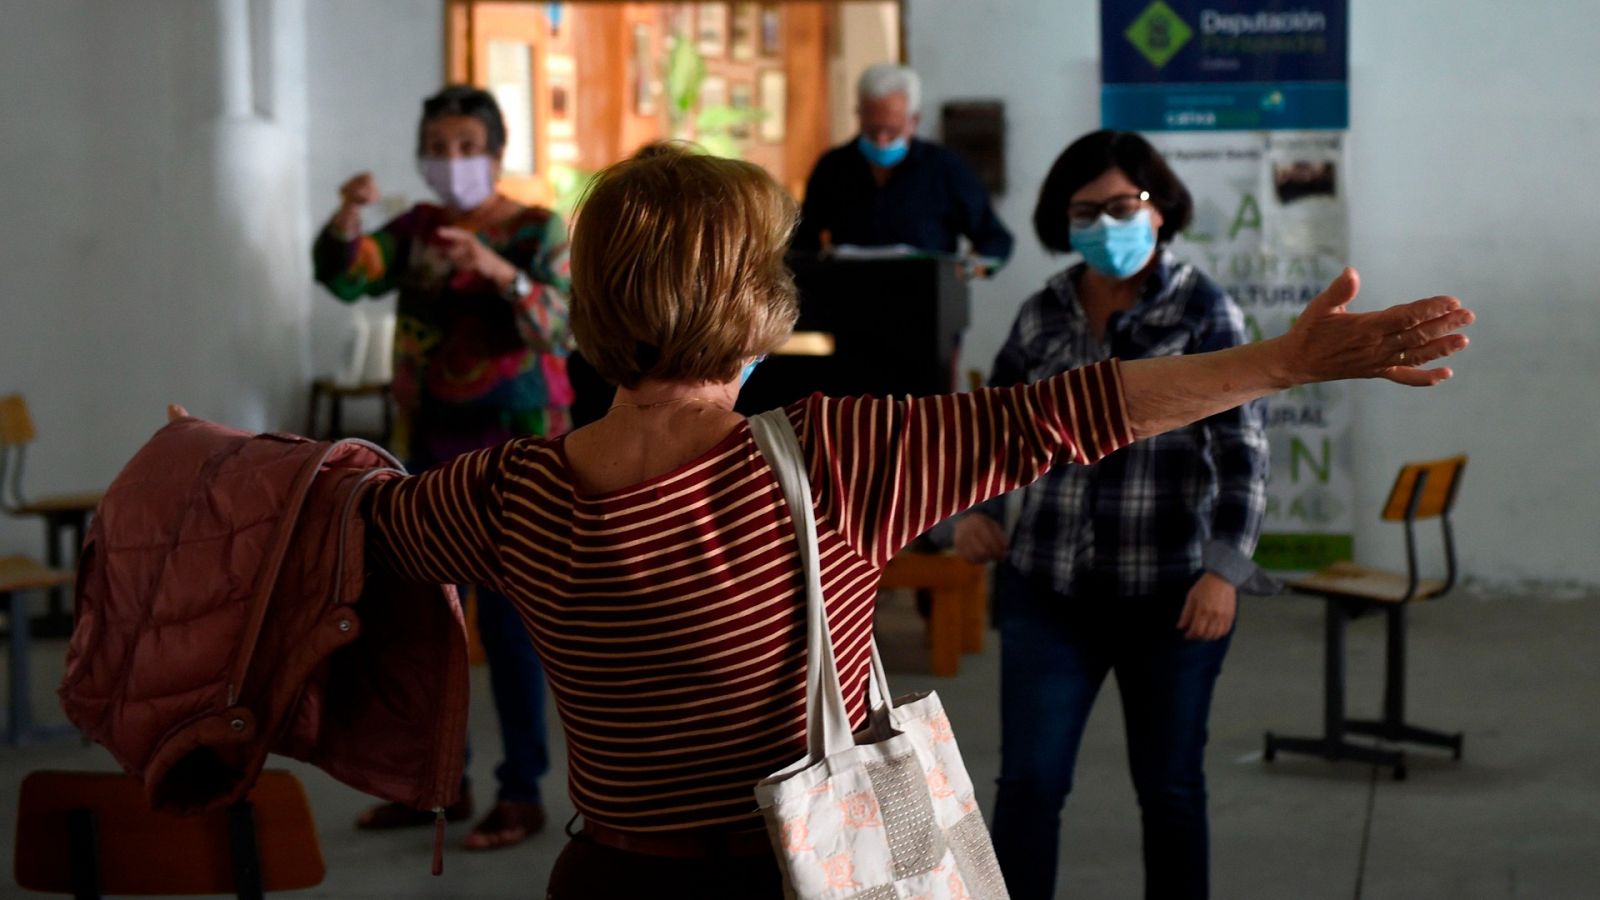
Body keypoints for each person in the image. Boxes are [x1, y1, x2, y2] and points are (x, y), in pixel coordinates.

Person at [275, 145, 1467, 897]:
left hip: (609, 878)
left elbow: (335, 519)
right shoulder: (835, 456)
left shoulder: (504, 493)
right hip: (817, 871)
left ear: (591, 310)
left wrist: (214, 473)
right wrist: (1278, 363)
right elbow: (1071, 416)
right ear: (758, 306)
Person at [950, 129, 1283, 899]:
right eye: (1085, 211)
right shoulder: (1044, 313)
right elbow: (985, 431)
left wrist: (1224, 570)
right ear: (1064, 223)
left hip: (1172, 598)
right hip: (1048, 591)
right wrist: (969, 513)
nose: (1106, 224)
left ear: (1159, 209)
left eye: (1122, 205)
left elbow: (1244, 450)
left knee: (1169, 790)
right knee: (1029, 786)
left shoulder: (1205, 311)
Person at [311, 85, 566, 850]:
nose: (450, 162)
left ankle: (520, 792)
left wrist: (497, 269)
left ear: (495, 151)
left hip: (519, 450)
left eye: (465, 147)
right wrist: (347, 216)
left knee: (514, 629)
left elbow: (562, 325)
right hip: (425, 447)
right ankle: (436, 786)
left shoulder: (534, 227)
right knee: (426, 624)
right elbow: (349, 273)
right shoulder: (418, 229)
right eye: (437, 147)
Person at [792, 63, 1014, 273]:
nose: (881, 141)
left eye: (892, 131)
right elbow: (803, 240)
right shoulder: (832, 167)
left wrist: (965, 269)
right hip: (850, 302)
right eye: (872, 130)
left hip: (929, 303)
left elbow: (995, 240)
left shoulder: (945, 168)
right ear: (859, 116)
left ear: (913, 121)